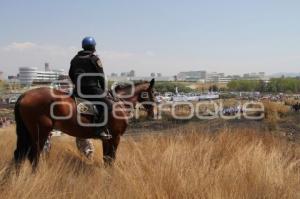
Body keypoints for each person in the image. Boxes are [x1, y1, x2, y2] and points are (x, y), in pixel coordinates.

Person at [69, 36, 112, 140]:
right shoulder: (94, 59)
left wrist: (77, 84)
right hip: (92, 90)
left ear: (83, 46)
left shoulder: (74, 59)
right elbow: (101, 76)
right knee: (108, 105)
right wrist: (103, 90)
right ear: (93, 47)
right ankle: (99, 130)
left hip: (78, 91)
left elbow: (70, 74)